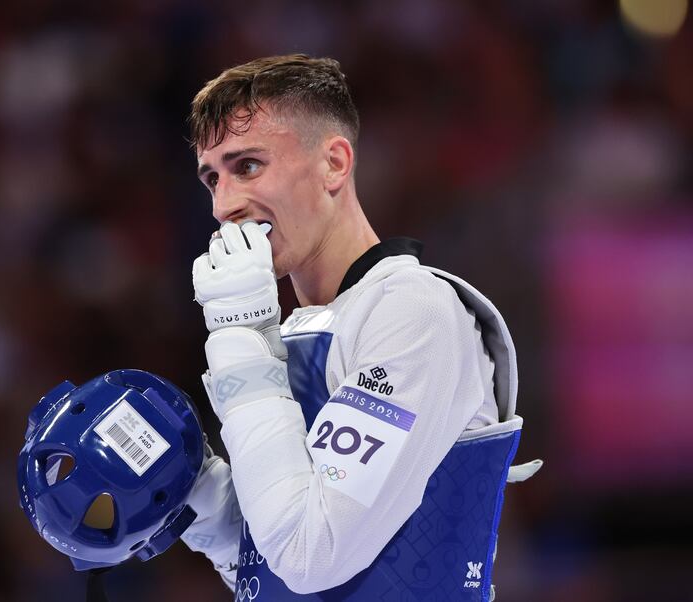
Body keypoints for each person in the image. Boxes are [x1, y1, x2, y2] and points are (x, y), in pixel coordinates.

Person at [179, 54, 540, 602]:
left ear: (334, 164)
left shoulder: (414, 313)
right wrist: (218, 520)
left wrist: (239, 338)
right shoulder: (297, 333)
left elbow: (310, 555)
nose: (224, 204)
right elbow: (289, 575)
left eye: (248, 166)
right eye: (213, 178)